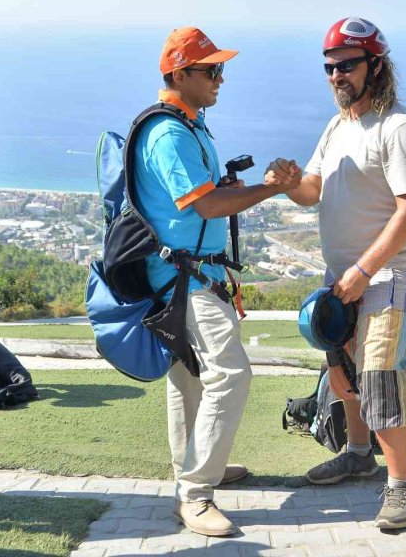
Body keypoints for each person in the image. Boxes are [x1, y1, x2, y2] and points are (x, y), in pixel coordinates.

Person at [138, 26, 301, 537]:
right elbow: (206, 206)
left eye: (220, 68)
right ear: (180, 73)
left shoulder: (190, 124)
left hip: (189, 272)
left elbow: (200, 198)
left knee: (189, 375)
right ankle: (196, 491)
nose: (221, 79)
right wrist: (267, 188)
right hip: (183, 276)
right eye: (211, 70)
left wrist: (230, 187)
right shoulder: (169, 134)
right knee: (230, 373)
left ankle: (192, 467)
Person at [279, 17, 406, 530]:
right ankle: (359, 454)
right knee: (345, 376)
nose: (336, 75)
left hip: (386, 276)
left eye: (346, 65)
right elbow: (312, 191)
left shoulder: (399, 128)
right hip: (341, 275)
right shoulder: (339, 125)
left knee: (382, 380)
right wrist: (288, 182)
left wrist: (365, 270)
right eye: (329, 67)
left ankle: (402, 487)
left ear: (376, 66)